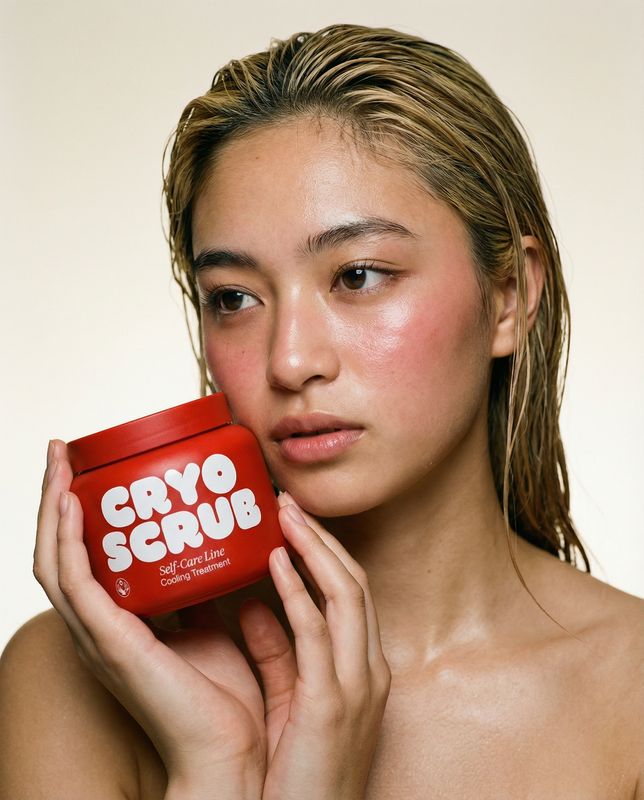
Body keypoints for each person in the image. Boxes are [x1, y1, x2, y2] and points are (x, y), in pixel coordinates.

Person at [1, 22, 643, 799]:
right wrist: (217, 766)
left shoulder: (629, 696)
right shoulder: (77, 684)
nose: (290, 360)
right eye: (233, 298)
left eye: (358, 276)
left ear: (509, 297)